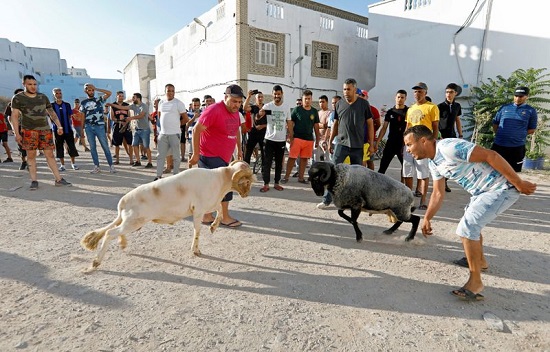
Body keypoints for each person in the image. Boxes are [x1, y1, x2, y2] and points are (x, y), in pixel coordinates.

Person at [403, 125, 537, 301]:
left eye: (409, 144)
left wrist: (519, 183)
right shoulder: (433, 161)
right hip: (481, 193)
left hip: (500, 189)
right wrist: (427, 218)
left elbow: (491, 155)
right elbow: (438, 192)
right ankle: (480, 261)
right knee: (472, 223)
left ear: (423, 141)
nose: (407, 149)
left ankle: (476, 282)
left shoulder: (449, 147)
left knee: (468, 227)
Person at [189, 84, 244, 228]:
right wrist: (195, 153)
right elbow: (196, 130)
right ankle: (225, 217)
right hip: (210, 155)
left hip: (225, 157)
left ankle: (206, 215)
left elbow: (236, 130)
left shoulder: (236, 112)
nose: (236, 105)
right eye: (233, 101)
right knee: (225, 186)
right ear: (226, 97)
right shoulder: (213, 110)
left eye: (239, 102)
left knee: (212, 188)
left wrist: (239, 149)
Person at [318, 78, 373, 208]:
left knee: (356, 176)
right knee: (333, 172)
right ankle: (327, 200)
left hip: (358, 146)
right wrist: (330, 141)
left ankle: (355, 202)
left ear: (355, 89)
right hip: (341, 144)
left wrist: (371, 143)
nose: (346, 92)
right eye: (344, 89)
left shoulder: (364, 104)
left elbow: (370, 124)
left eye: (348, 89)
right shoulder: (339, 104)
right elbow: (335, 124)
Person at [9, 75, 71, 190]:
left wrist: (59, 125)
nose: (33, 87)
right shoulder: (18, 98)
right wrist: (16, 133)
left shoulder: (43, 97)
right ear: (24, 84)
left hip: (45, 130)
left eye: (34, 84)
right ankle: (34, 180)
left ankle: (58, 179)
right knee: (31, 156)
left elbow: (51, 113)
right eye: (30, 84)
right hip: (28, 131)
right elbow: (14, 116)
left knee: (50, 155)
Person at [403, 82, 439, 210]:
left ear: (425, 93)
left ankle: (423, 200)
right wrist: (405, 142)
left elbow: (435, 126)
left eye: (420, 91)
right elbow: (408, 127)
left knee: (422, 172)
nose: (417, 93)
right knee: (407, 171)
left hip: (423, 144)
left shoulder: (432, 107)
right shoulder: (410, 108)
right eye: (415, 91)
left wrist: (433, 141)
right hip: (410, 143)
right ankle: (408, 199)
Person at [491, 86, 538, 172]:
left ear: (526, 96)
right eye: (516, 96)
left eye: (520, 96)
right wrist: (500, 134)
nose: (517, 98)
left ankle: (511, 185)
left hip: (517, 147)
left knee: (513, 172)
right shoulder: (504, 108)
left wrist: (518, 134)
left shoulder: (531, 111)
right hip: (499, 145)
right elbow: (495, 123)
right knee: (494, 170)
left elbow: (532, 129)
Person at [282, 89, 320, 184]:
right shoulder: (297, 110)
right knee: (292, 158)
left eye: (309, 98)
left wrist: (318, 139)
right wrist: (290, 136)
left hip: (309, 139)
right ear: (302, 99)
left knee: (304, 159)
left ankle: (301, 178)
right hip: (297, 138)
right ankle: (286, 177)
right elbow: (291, 123)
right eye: (305, 98)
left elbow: (316, 126)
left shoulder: (314, 111)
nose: (307, 100)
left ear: (311, 99)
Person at [258, 85, 291, 192]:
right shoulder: (268, 106)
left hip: (281, 140)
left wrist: (291, 135)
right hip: (269, 140)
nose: (277, 96)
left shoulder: (286, 107)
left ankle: (277, 183)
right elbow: (258, 117)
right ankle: (266, 184)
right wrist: (260, 113)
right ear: (272, 94)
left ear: (282, 94)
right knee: (266, 163)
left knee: (278, 163)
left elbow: (289, 122)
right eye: (275, 94)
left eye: (279, 94)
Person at [108, 93, 152, 168]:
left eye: (133, 98)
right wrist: (112, 105)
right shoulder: (133, 106)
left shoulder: (144, 106)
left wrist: (130, 118)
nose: (132, 99)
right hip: (137, 129)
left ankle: (150, 162)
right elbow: (121, 107)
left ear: (138, 98)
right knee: (134, 145)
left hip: (144, 129)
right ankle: (138, 161)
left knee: (146, 146)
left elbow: (141, 115)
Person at [80, 83, 116, 174]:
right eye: (89, 90)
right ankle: (96, 166)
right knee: (92, 147)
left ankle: (111, 166)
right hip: (88, 127)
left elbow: (109, 93)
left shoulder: (99, 100)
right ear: (85, 91)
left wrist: (96, 88)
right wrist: (81, 129)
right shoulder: (83, 103)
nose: (91, 91)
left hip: (99, 126)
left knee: (105, 146)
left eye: (92, 90)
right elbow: (83, 115)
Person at [154, 84, 189, 180]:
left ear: (174, 92)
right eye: (168, 91)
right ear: (165, 92)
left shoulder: (178, 103)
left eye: (172, 91)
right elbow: (160, 116)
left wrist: (177, 125)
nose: (170, 92)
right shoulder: (161, 102)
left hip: (175, 134)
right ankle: (158, 176)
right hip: (163, 134)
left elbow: (186, 119)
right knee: (160, 156)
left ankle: (175, 177)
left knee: (176, 157)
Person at [437, 83, 464, 192]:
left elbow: (457, 120)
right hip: (441, 136)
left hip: (452, 136)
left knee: (451, 161)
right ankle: (439, 183)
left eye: (451, 92)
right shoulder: (440, 106)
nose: (448, 94)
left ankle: (445, 182)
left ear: (455, 93)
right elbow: (436, 122)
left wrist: (460, 134)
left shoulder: (457, 106)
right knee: (441, 160)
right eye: (447, 92)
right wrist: (439, 135)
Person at [376, 89, 408, 175]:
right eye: (398, 97)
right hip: (391, 142)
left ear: (405, 99)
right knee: (383, 166)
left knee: (406, 168)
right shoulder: (390, 112)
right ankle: (378, 184)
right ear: (395, 98)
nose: (400, 99)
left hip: (403, 143)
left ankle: (404, 186)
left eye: (402, 97)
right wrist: (378, 141)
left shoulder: (408, 111)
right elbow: (384, 128)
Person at [51, 88, 79, 171]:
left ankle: (73, 163)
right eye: (57, 93)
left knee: (71, 146)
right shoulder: (51, 106)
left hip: (67, 129)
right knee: (59, 147)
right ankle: (62, 165)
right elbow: (51, 117)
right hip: (57, 130)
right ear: (54, 95)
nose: (59, 95)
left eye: (60, 93)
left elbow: (70, 116)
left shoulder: (67, 105)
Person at [107, 91, 134, 165]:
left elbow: (129, 115)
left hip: (126, 125)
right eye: (120, 96)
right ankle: (117, 159)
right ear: (117, 96)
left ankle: (131, 159)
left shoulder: (126, 105)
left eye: (122, 96)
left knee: (130, 143)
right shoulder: (113, 105)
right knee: (117, 144)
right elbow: (112, 117)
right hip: (117, 125)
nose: (121, 97)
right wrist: (119, 120)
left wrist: (126, 122)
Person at [243, 90, 266, 166]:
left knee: (264, 152)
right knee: (248, 150)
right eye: (258, 97)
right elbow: (245, 108)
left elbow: (271, 121)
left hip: (264, 132)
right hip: (254, 131)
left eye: (261, 97)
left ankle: (264, 170)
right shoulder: (254, 107)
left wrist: (263, 126)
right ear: (256, 98)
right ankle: (246, 167)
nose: (260, 98)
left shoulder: (266, 107)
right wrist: (249, 96)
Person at [5, 88, 26, 169]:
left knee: (30, 146)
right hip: (18, 128)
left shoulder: (29, 103)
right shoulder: (11, 104)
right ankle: (24, 161)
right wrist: (13, 129)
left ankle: (30, 162)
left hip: (29, 127)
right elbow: (9, 118)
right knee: (21, 146)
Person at [185, 97, 202, 168]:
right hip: (191, 136)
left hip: (201, 136)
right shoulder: (188, 113)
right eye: (194, 105)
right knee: (190, 153)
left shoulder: (203, 113)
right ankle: (189, 169)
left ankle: (199, 169)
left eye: (197, 105)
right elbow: (187, 124)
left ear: (200, 105)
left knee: (200, 154)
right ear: (192, 105)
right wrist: (194, 117)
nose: (196, 107)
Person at [316, 95, 331, 162]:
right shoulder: (318, 113)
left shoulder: (329, 113)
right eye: (320, 102)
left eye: (323, 102)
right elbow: (315, 125)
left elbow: (327, 125)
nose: (321, 104)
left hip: (326, 139)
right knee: (316, 158)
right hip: (318, 138)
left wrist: (318, 125)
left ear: (327, 102)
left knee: (327, 159)